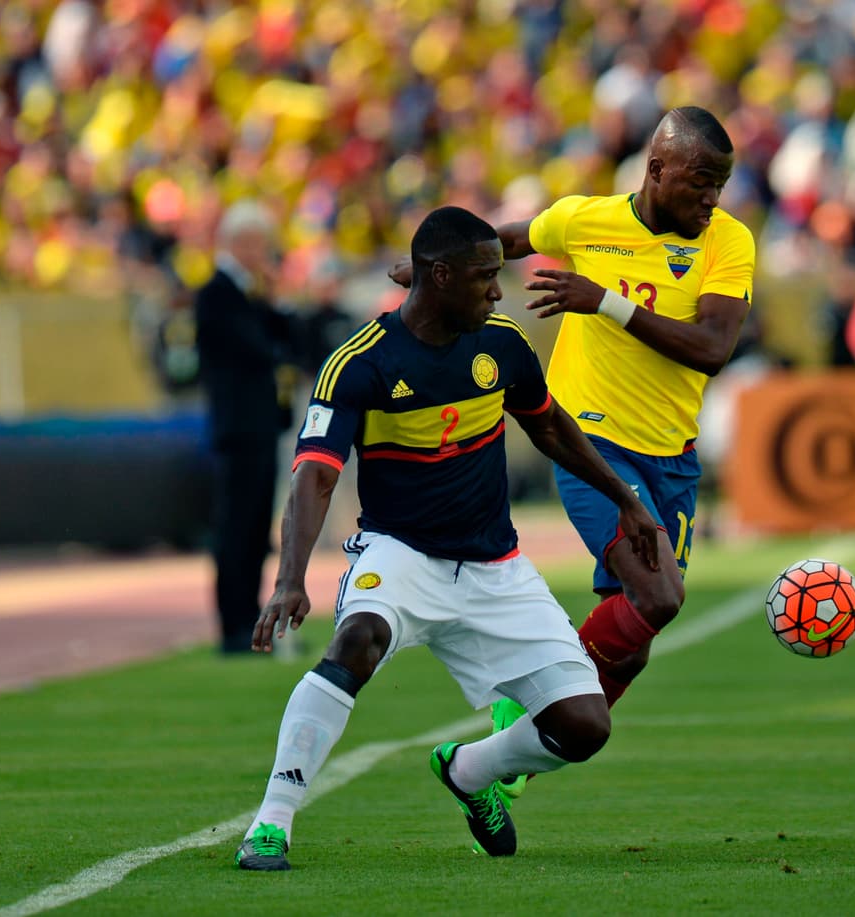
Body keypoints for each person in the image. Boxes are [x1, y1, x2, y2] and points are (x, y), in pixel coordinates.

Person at [236, 206, 660, 871]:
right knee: (358, 638)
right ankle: (272, 821)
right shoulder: (360, 363)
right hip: (400, 554)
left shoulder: (501, 343)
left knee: (585, 724)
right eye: (485, 277)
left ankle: (469, 772)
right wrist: (291, 577)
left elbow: (550, 429)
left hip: (496, 566)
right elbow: (314, 478)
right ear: (438, 276)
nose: (498, 290)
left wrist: (624, 498)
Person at [391, 105, 756, 805]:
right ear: (656, 170)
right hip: (591, 444)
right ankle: (529, 715)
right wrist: (426, 270)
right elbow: (507, 238)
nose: (711, 199)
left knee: (641, 628)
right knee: (661, 593)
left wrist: (605, 302)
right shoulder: (586, 219)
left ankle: (491, 762)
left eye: (720, 185)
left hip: (671, 458)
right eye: (699, 182)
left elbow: (712, 348)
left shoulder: (728, 242)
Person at [194, 201, 298, 655]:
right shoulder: (216, 294)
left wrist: (274, 300)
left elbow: (290, 338)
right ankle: (231, 625)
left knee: (256, 528)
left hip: (258, 426)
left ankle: (252, 620)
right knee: (236, 527)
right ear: (236, 244)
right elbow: (261, 349)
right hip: (237, 428)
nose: (263, 253)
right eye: (257, 244)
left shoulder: (251, 294)